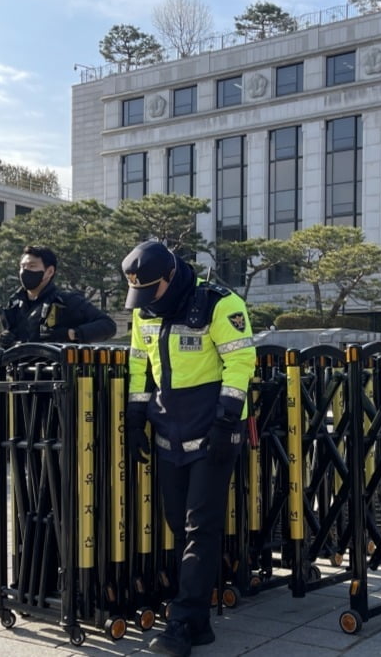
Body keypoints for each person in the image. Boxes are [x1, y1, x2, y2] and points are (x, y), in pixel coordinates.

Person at [121, 241, 256, 657]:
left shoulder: (219, 303)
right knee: (178, 523)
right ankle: (198, 623)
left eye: (151, 291)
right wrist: (135, 418)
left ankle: (181, 621)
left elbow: (241, 363)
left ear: (171, 276)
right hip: (169, 428)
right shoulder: (144, 310)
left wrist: (224, 422)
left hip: (214, 429)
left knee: (201, 525)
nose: (145, 303)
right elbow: (140, 364)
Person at [0, 245, 116, 347]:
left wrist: (71, 334)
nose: (25, 271)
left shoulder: (66, 301)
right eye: (22, 266)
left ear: (49, 271)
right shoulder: (14, 305)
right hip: (18, 371)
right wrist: (2, 342)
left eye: (32, 266)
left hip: (56, 372)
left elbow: (108, 325)